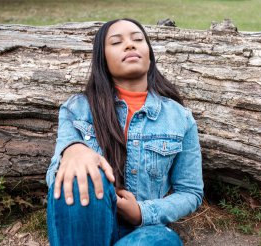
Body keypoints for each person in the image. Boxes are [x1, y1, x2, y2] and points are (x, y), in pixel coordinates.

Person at [46, 18, 203, 246]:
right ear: (103, 58)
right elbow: (55, 179)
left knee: (164, 240)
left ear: (149, 54)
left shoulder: (180, 118)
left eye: (138, 39)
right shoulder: (77, 109)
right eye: (117, 42)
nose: (130, 45)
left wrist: (142, 212)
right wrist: (74, 151)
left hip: (139, 231)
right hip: (82, 222)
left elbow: (190, 192)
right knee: (86, 172)